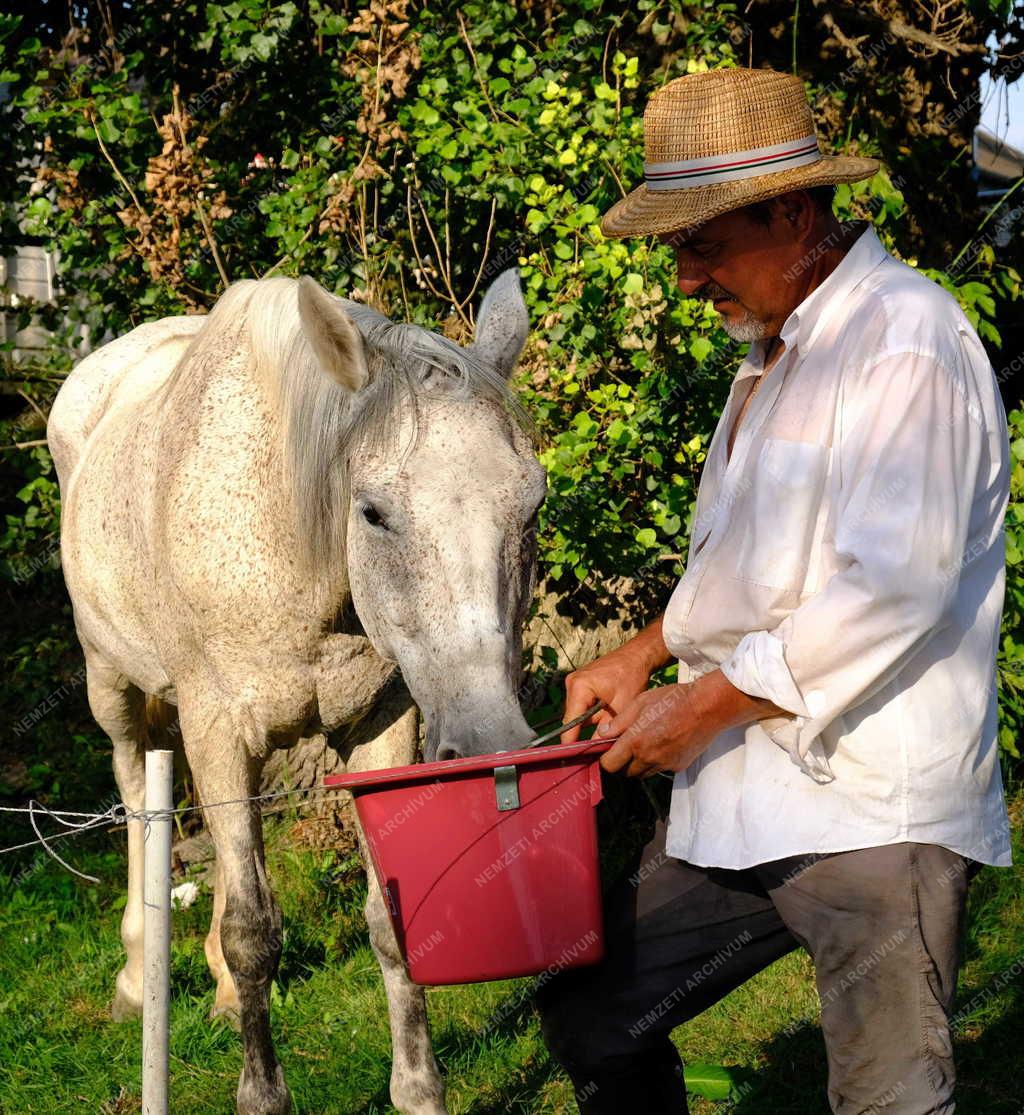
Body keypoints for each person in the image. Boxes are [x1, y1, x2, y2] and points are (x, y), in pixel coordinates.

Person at [536, 67, 1012, 1115]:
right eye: (674, 248)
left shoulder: (905, 343)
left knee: (887, 1097)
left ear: (793, 212)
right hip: (742, 795)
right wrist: (642, 654)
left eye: (700, 243)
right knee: (592, 1010)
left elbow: (894, 587)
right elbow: (748, 567)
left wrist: (697, 704)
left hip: (870, 809)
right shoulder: (773, 352)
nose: (685, 277)